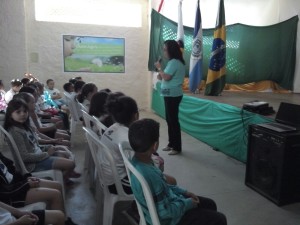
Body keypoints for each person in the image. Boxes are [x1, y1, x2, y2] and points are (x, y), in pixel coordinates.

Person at [128, 118, 227, 225]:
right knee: (220, 219)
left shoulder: (138, 161)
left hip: (166, 206)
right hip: (170, 220)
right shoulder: (150, 175)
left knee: (210, 204)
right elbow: (164, 212)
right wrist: (188, 203)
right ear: (155, 145)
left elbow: (165, 187)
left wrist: (184, 192)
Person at [101, 96, 173, 195]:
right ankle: (149, 205)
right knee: (170, 180)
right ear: (136, 115)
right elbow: (138, 167)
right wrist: (157, 161)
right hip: (118, 183)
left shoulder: (113, 127)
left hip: (106, 176)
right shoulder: (128, 139)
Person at [3, 99, 80, 184]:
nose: (23, 114)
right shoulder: (15, 132)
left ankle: (62, 178)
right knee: (71, 164)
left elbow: (35, 144)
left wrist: (49, 146)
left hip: (39, 156)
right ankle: (62, 179)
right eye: (18, 112)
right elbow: (24, 157)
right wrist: (47, 154)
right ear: (10, 115)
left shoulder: (24, 126)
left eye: (25, 111)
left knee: (63, 154)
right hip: (32, 165)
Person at [154, 39, 185, 155]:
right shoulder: (173, 62)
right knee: (169, 120)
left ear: (171, 50)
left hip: (173, 95)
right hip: (169, 94)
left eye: (165, 50)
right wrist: (160, 72)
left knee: (173, 121)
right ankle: (171, 143)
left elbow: (166, 77)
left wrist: (159, 68)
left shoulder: (175, 62)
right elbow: (162, 77)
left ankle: (177, 147)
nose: (164, 52)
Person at [0, 201, 65, 225]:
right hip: (16, 222)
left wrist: (19, 213)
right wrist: (19, 222)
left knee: (60, 216)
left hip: (13, 218)